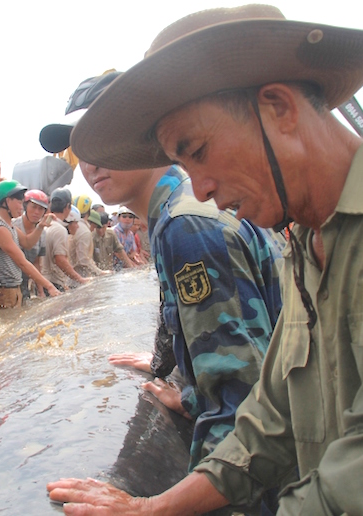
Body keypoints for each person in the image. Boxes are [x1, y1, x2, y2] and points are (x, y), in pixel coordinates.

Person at [48, 4, 363, 514]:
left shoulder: (195, 224)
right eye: (181, 163)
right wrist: (149, 508)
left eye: (197, 150)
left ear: (279, 108)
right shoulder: (308, 242)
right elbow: (272, 419)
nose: (201, 190)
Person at [0, 180, 59, 308]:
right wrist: (49, 286)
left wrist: (40, 226)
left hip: (13, 289)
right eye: (19, 202)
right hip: (5, 291)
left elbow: (27, 243)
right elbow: (22, 262)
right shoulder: (1, 230)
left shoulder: (10, 227)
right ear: (6, 201)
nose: (21, 207)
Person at [41, 188, 89, 291]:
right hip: (53, 284)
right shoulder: (60, 230)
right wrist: (80, 279)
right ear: (68, 206)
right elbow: (60, 260)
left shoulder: (45, 226)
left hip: (43, 283)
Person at [12, 189, 49, 300]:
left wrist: (41, 291)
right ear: (25, 206)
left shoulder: (42, 233)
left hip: (25, 283)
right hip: (10, 282)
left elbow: (37, 263)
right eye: (33, 207)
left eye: (41, 209)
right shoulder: (13, 225)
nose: (37, 212)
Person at [70, 194, 105, 277]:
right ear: (89, 211)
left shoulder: (71, 225)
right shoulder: (84, 231)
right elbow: (82, 260)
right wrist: (100, 272)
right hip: (76, 279)